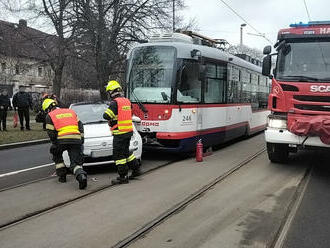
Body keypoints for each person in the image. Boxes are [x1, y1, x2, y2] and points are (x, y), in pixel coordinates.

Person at [43, 98, 87, 189]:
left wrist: (55, 143)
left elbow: (51, 133)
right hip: (76, 139)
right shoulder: (70, 111)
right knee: (75, 163)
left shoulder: (50, 115)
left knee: (56, 152)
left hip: (61, 140)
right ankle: (81, 176)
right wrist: (81, 138)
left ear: (48, 109)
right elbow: (80, 125)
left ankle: (62, 176)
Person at [103, 80, 141, 185]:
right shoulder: (127, 101)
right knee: (126, 152)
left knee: (119, 156)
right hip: (128, 131)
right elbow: (129, 113)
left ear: (111, 92)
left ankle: (123, 177)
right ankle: (136, 169)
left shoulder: (115, 103)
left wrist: (110, 116)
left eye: (108, 92)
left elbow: (106, 115)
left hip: (119, 132)